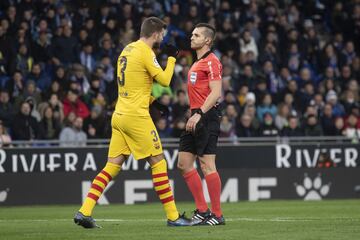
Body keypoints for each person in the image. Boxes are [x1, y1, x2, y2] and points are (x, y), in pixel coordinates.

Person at [74, 17, 191, 228]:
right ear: (155, 33)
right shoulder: (146, 51)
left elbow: (133, 84)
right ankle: (173, 217)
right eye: (162, 34)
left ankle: (84, 211)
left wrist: (153, 102)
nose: (162, 38)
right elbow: (164, 81)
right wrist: (173, 59)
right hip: (136, 117)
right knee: (158, 162)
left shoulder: (126, 50)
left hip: (120, 115)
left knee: (112, 165)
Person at [177, 23, 225, 226]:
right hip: (195, 116)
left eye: (196, 35)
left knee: (206, 165)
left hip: (206, 117)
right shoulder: (196, 63)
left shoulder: (212, 61)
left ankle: (217, 214)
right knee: (183, 164)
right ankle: (203, 210)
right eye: (192, 34)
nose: (191, 37)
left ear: (207, 40)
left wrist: (198, 114)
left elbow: (216, 92)